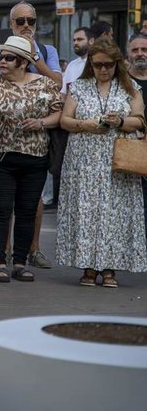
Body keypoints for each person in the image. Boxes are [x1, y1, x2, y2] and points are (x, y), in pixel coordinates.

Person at [57, 38, 146, 287]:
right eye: (98, 65)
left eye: (108, 65)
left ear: (117, 64)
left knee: (113, 214)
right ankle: (87, 267)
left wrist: (118, 122)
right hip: (83, 162)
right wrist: (85, 124)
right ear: (91, 66)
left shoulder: (131, 88)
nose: (103, 70)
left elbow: (139, 120)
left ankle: (109, 269)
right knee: (85, 212)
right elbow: (65, 120)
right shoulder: (78, 87)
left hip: (116, 160)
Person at [0, 36, 62, 283]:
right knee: (1, 211)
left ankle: (20, 262)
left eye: (8, 58)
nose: (2, 61)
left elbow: (60, 115)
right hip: (0, 159)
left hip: (35, 159)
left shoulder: (45, 85)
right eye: (1, 57)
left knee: (26, 212)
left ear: (24, 62)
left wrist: (41, 122)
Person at [126, 33, 147, 231]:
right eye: (135, 50)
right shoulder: (123, 83)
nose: (140, 54)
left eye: (144, 50)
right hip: (130, 154)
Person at [61, 27, 94, 93]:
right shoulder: (71, 65)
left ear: (91, 41)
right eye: (74, 40)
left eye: (79, 39)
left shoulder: (97, 64)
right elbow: (64, 92)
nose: (75, 43)